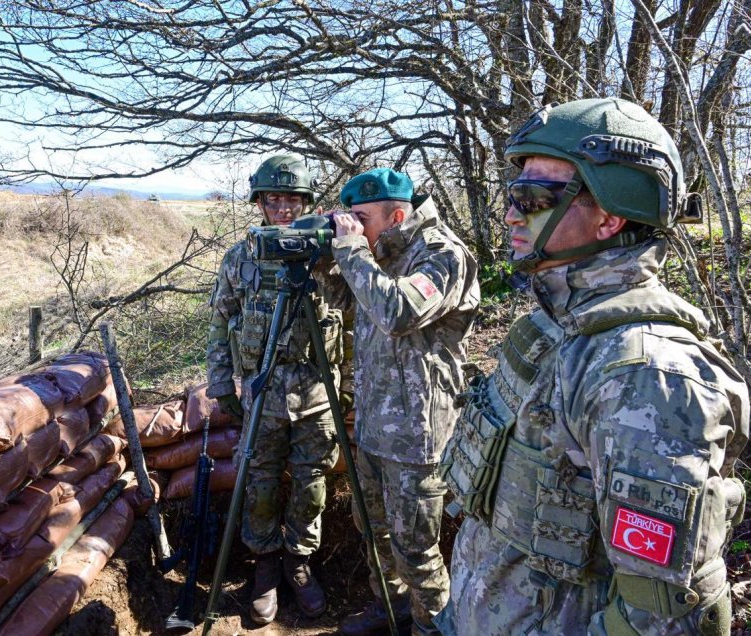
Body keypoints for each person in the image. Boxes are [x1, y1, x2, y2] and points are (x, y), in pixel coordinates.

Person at [437, 97, 750, 635]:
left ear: (609, 216)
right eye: (513, 195)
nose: (512, 212)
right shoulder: (548, 327)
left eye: (533, 197)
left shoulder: (646, 377)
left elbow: (663, 613)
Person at [317, 168, 480, 635]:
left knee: (417, 548)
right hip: (374, 421)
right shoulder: (380, 251)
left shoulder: (443, 254)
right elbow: (352, 302)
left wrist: (351, 252)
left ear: (397, 215)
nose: (353, 226)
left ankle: (434, 626)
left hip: (418, 433)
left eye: (360, 218)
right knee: (374, 529)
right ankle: (390, 607)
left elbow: (396, 311)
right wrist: (323, 260)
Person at [205, 154, 342, 624]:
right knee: (259, 480)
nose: (283, 209)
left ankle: (299, 563)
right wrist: (222, 383)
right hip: (263, 392)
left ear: (307, 201)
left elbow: (362, 320)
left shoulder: (332, 255)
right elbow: (221, 322)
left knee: (312, 482)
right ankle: (264, 567)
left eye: (293, 199)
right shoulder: (240, 257)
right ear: (260, 202)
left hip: (317, 390)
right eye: (274, 199)